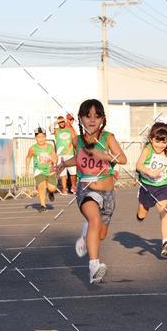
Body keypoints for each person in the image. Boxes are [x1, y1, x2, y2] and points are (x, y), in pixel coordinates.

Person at [56, 99, 126, 284]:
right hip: (86, 189)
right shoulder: (77, 140)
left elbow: (123, 159)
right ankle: (94, 267)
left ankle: (86, 233)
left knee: (101, 233)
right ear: (80, 119)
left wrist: (106, 155)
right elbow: (78, 158)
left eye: (97, 116)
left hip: (108, 193)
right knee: (94, 219)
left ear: (103, 118)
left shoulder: (108, 138)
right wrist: (63, 163)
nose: (92, 120)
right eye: (88, 116)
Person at [135, 121, 167, 257]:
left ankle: (165, 242)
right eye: (157, 141)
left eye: (164, 142)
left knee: (164, 211)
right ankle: (141, 211)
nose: (160, 145)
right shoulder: (148, 149)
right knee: (142, 214)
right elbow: (139, 165)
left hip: (162, 187)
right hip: (147, 185)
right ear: (151, 139)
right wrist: (150, 172)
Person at [25, 128, 57, 212]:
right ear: (35, 138)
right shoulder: (33, 148)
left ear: (45, 137)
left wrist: (54, 160)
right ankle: (43, 205)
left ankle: (50, 192)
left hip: (50, 170)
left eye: (43, 137)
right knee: (41, 186)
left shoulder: (50, 147)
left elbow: (54, 157)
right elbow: (28, 157)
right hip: (39, 171)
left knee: (52, 188)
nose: (41, 139)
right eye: (39, 137)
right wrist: (27, 170)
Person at [54, 114, 77, 193]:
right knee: (62, 173)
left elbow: (75, 138)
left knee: (73, 172)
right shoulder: (57, 130)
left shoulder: (70, 129)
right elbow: (50, 128)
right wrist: (56, 122)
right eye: (60, 122)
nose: (62, 123)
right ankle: (64, 189)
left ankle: (73, 187)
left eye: (63, 122)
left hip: (70, 153)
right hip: (61, 155)